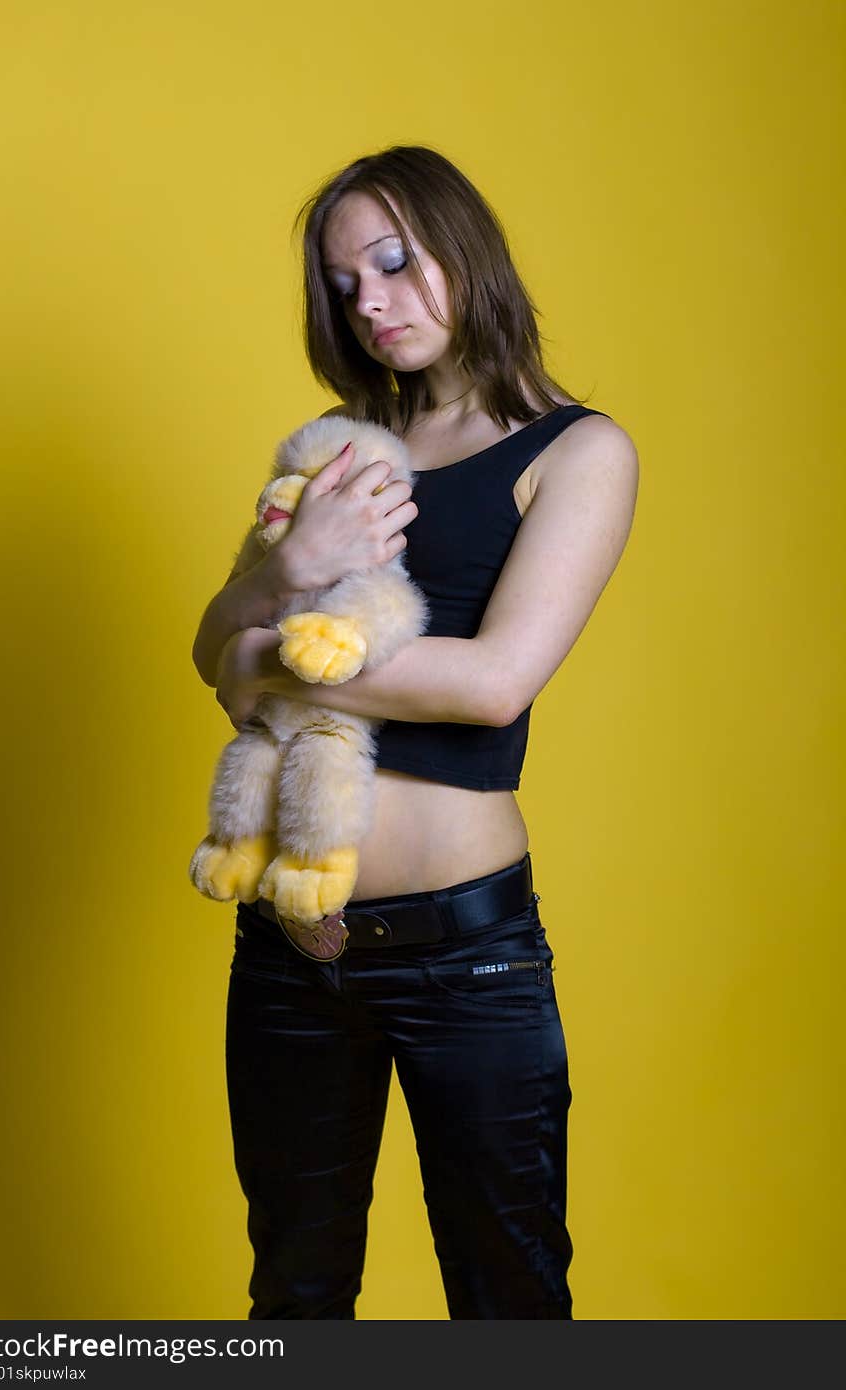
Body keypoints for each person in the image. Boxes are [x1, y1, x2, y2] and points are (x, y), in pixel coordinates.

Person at [192, 144, 639, 1320]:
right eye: (345, 286)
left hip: (467, 957)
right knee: (292, 1295)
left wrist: (274, 662)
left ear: (462, 245)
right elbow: (209, 649)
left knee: (508, 1299)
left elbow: (492, 682)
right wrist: (290, 570)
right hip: (290, 942)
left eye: (391, 262)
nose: (371, 302)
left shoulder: (578, 454)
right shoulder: (342, 452)